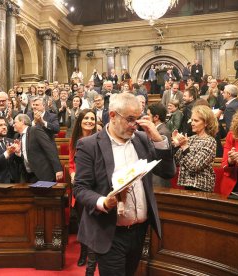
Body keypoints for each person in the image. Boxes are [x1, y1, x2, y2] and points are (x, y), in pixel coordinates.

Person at [73, 93, 175, 276]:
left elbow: (168, 172)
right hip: (111, 232)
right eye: (129, 119)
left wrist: (158, 140)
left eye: (138, 119)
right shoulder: (88, 145)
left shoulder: (142, 139)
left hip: (139, 230)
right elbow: (80, 188)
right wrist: (103, 202)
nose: (134, 125)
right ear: (112, 115)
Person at [68, 109, 97, 273]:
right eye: (86, 118)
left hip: (94, 186)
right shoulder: (75, 140)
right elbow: (72, 162)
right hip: (79, 185)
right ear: (80, 121)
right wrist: (72, 174)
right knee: (82, 223)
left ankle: (93, 256)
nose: (89, 121)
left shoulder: (100, 138)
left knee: (94, 222)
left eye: (92, 118)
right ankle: (83, 252)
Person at [173, 105, 218, 192]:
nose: (192, 123)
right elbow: (177, 160)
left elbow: (194, 166)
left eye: (196, 121)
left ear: (206, 123)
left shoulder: (210, 141)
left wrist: (184, 147)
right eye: (192, 120)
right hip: (187, 185)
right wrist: (177, 144)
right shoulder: (191, 138)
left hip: (201, 188)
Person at [13, 114, 63, 182]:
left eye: (15, 122)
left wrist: (58, 169)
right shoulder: (18, 137)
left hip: (44, 175)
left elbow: (50, 148)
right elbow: (27, 156)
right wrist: (18, 153)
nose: (13, 125)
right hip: (29, 176)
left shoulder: (35, 130)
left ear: (22, 121)